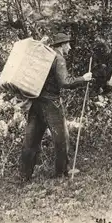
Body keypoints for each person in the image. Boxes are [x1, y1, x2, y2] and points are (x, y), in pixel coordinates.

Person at [20, 33, 92, 181]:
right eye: (68, 44)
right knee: (61, 138)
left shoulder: (45, 56)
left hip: (36, 101)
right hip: (51, 103)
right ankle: (62, 172)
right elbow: (65, 82)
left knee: (31, 139)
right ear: (62, 45)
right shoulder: (58, 58)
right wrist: (83, 79)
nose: (70, 47)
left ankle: (24, 174)